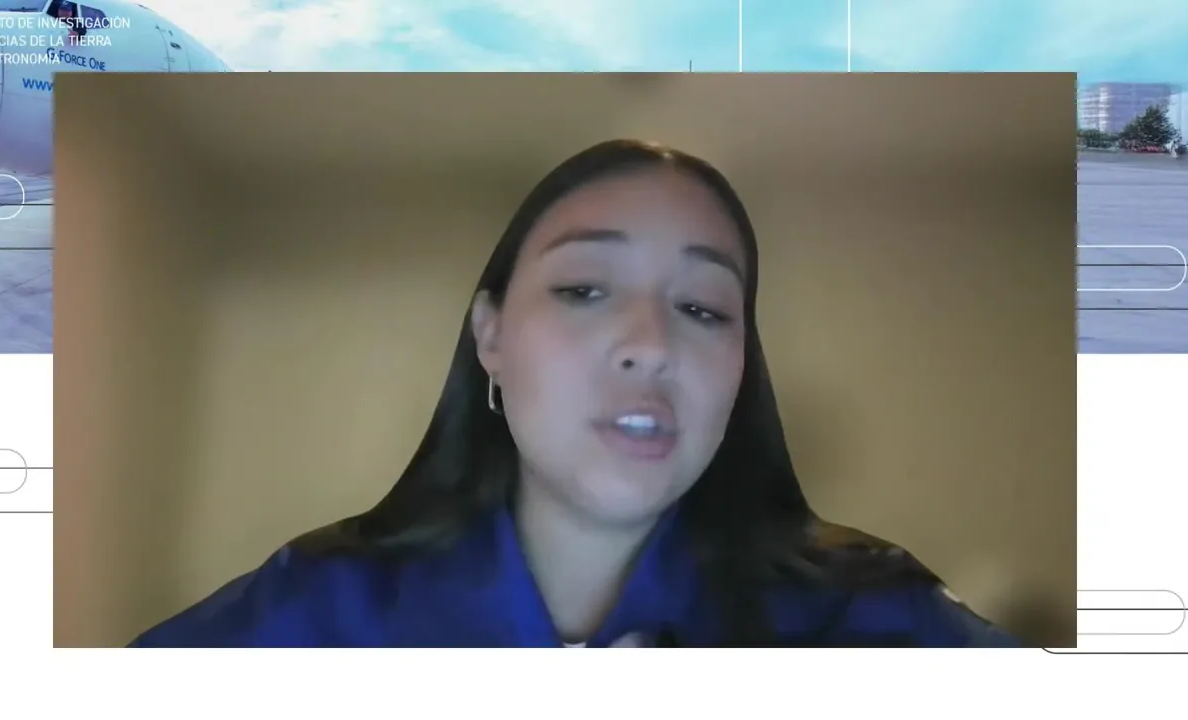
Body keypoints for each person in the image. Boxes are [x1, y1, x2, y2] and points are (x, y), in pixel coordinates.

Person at [130, 139, 1021, 648]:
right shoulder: (312, 610)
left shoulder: (871, 618)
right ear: (490, 336)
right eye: (584, 289)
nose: (650, 345)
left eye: (704, 308)